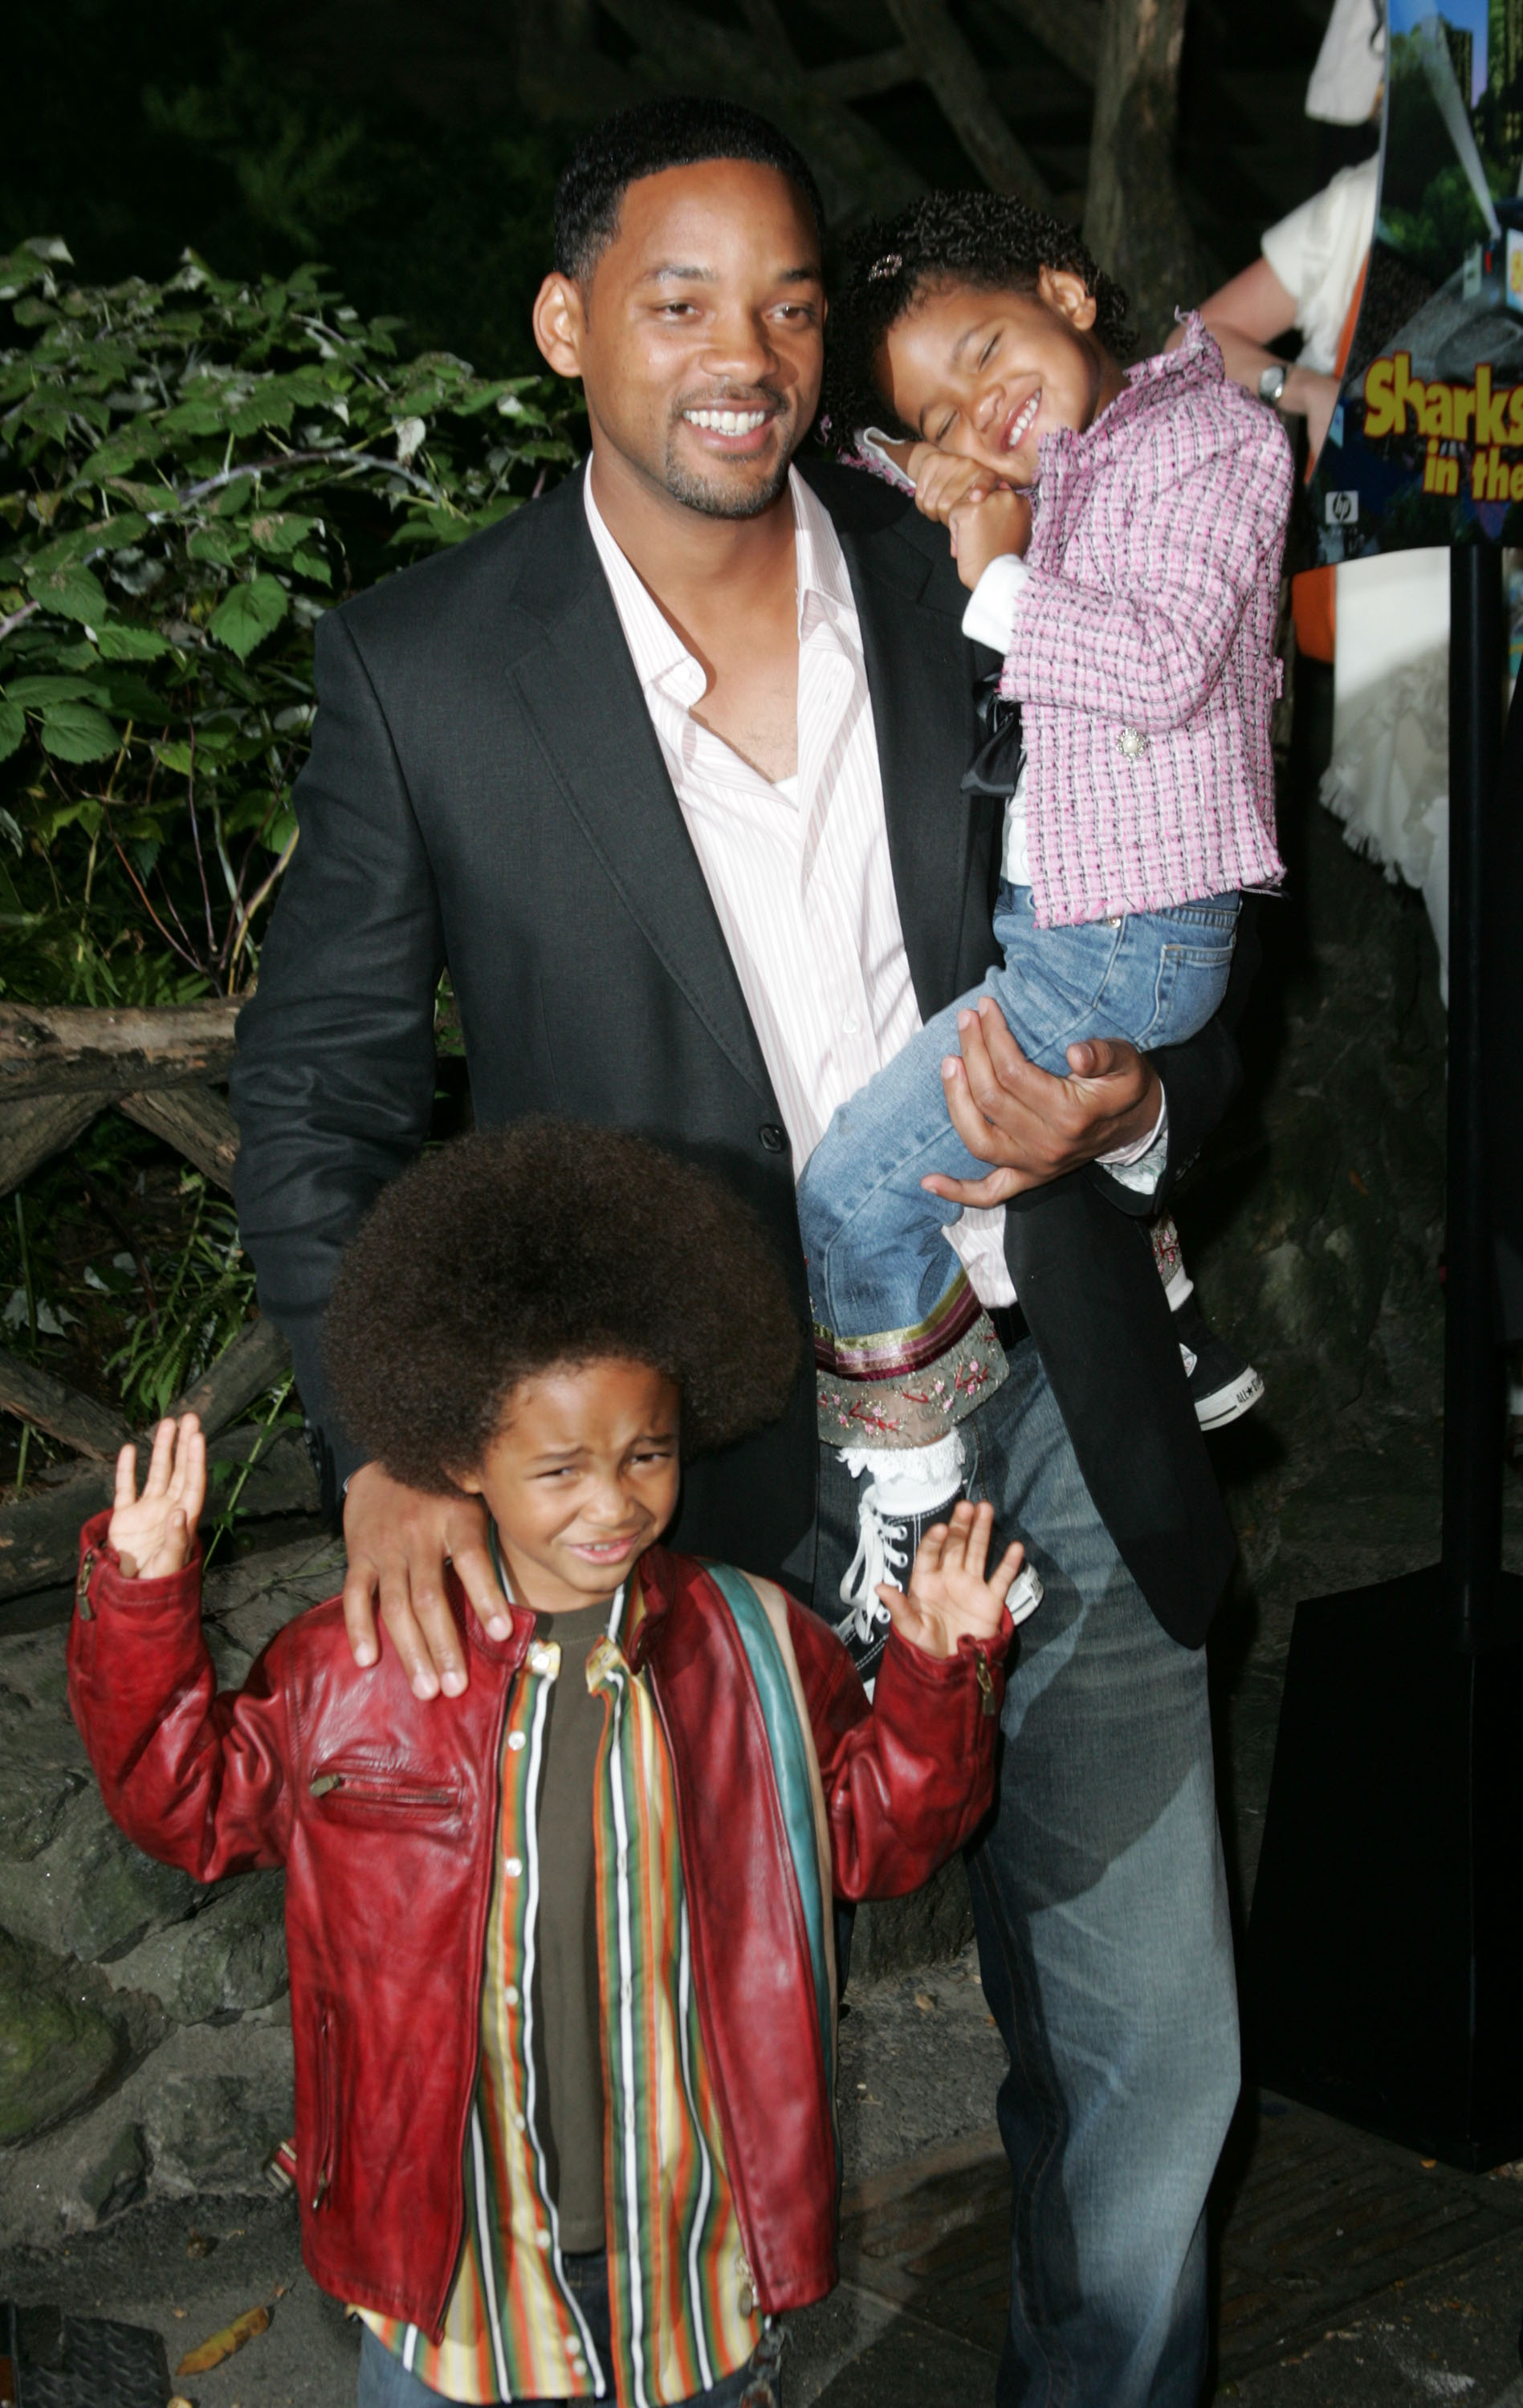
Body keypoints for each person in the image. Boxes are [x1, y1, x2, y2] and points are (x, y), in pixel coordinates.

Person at [230, 96, 1245, 2405]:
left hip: (1048, 1408)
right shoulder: (427, 664)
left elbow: (1171, 858)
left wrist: (1141, 1094)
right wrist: (386, 1444)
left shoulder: (961, 555)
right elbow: (319, 1094)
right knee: (658, 2157)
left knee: (1155, 2073)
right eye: (679, 300)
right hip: (677, 1498)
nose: (747, 352)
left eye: (791, 301)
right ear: (567, 324)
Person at [68, 1124, 1019, 2408]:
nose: (612, 1504)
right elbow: (185, 1806)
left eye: (648, 1454)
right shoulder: (354, 1667)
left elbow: (879, 1839)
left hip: (689, 2267)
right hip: (453, 2286)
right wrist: (141, 1599)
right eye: (559, 1468)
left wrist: (933, 1673)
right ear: (461, 1459)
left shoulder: (752, 1644)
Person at [788, 193, 1289, 1590]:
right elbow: (885, 462)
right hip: (1081, 934)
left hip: (1115, 947)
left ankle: (911, 1496)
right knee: (971, 1175)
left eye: (986, 349)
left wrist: (997, 570)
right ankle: (1168, 1312)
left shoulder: (1212, 439)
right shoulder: (1075, 452)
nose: (978, 417)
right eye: (939, 414)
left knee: (847, 1198)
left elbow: (1160, 664)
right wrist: (920, 460)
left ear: (1066, 291)